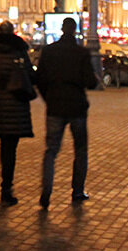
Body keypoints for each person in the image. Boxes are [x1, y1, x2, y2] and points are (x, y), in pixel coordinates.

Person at [34, 17, 98, 209]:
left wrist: (49, 98)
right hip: (77, 107)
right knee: (80, 150)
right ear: (75, 31)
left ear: (62, 29)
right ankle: (77, 190)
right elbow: (91, 82)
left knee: (51, 150)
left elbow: (40, 80)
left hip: (55, 106)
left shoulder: (49, 51)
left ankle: (46, 191)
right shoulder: (81, 53)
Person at [0, 20, 34, 205]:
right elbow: (29, 74)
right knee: (10, 148)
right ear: (13, 32)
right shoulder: (20, 50)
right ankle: (6, 188)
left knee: (1, 145)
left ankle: (3, 185)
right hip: (17, 103)